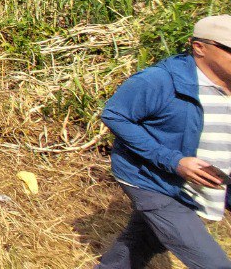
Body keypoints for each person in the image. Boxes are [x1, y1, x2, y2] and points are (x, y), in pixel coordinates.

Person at [96, 15, 231, 269]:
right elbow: (115, 114)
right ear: (199, 47)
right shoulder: (161, 80)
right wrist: (174, 161)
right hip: (152, 180)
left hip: (203, 183)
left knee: (144, 241)